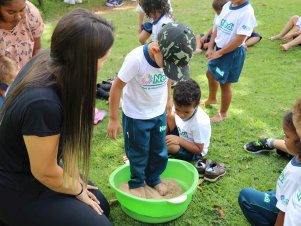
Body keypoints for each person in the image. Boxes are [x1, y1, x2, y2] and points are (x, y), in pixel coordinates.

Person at [0, 8, 114, 226]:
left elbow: (65, 141)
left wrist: (73, 179)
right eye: (103, 59)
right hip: (17, 186)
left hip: (36, 173)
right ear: (84, 60)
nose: (103, 65)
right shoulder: (42, 102)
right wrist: (76, 187)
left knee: (101, 205)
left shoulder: (51, 59)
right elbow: (44, 172)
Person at [107, 22, 196, 198]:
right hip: (136, 116)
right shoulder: (135, 60)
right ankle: (137, 182)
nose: (169, 69)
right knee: (138, 151)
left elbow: (169, 76)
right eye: (168, 65)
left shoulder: (165, 60)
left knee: (159, 149)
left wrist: (168, 100)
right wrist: (113, 118)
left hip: (158, 114)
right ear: (155, 49)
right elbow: (116, 87)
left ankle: (154, 178)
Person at [238, 110, 301, 226]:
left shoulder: (295, 175)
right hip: (280, 196)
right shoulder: (298, 155)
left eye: (287, 136)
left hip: (280, 205)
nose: (284, 138)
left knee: (245, 196)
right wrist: (270, 142)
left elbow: (284, 211)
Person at [201, 0, 256, 123]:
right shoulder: (227, 5)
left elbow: (239, 39)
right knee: (210, 73)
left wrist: (219, 53)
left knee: (225, 83)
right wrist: (211, 47)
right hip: (220, 49)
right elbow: (218, 28)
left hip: (232, 53)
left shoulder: (247, 13)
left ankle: (223, 113)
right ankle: (212, 98)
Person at [166, 79, 211, 162]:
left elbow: (198, 149)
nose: (181, 114)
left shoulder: (200, 122)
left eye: (186, 112)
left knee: (170, 146)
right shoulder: (179, 105)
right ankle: (161, 140)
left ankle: (163, 149)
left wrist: (178, 140)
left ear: (197, 105)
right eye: (177, 109)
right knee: (169, 116)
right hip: (181, 136)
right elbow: (171, 115)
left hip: (193, 151)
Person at [0, 0, 44, 70]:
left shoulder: (31, 13)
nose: (18, 17)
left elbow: (37, 49)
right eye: (11, 12)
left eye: (21, 10)